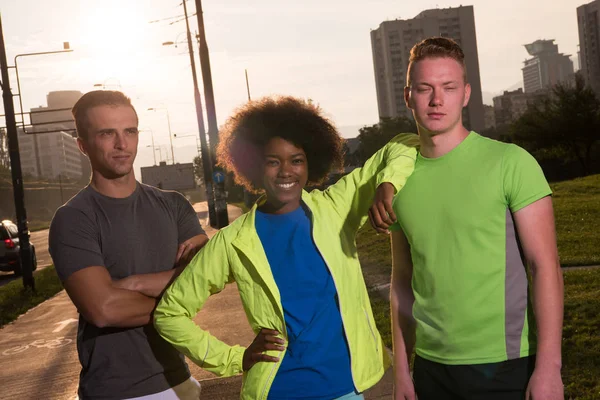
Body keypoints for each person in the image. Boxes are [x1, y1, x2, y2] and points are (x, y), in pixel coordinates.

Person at [153, 96, 419, 399]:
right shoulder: (233, 240)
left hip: (345, 389)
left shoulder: (335, 209)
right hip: (278, 390)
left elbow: (404, 143)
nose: (286, 171)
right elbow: (170, 313)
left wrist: (387, 183)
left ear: (310, 164)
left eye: (296, 160)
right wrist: (233, 358)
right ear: (254, 166)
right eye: (272, 161)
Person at [370, 37, 564, 400]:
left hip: (507, 364)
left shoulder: (511, 162)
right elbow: (402, 281)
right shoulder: (399, 180)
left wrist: (549, 368)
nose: (436, 99)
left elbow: (545, 267)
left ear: (466, 93)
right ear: (408, 95)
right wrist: (401, 371)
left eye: (448, 87)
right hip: (430, 368)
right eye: (425, 88)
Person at [48, 90, 208, 400]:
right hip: (116, 391)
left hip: (181, 383)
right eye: (107, 133)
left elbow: (204, 280)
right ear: (82, 146)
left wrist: (131, 283)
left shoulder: (174, 206)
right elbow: (104, 309)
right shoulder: (73, 219)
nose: (122, 144)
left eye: (129, 131)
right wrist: (177, 296)